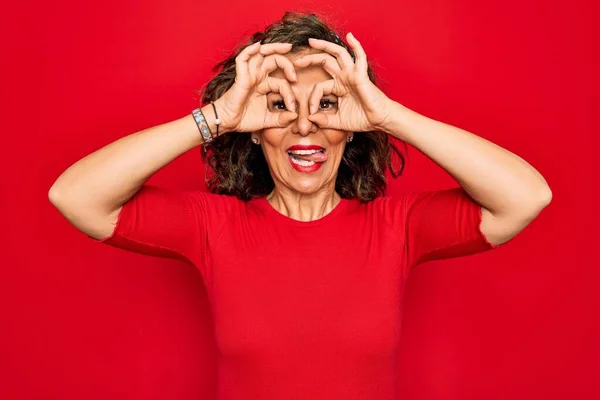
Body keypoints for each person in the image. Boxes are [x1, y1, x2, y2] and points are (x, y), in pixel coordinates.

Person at [49, 11, 551, 400]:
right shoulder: (214, 227)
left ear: (354, 126)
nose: (305, 125)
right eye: (279, 105)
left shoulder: (396, 227)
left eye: (327, 104)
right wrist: (216, 117)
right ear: (253, 128)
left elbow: (525, 197)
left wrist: (387, 115)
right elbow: (75, 197)